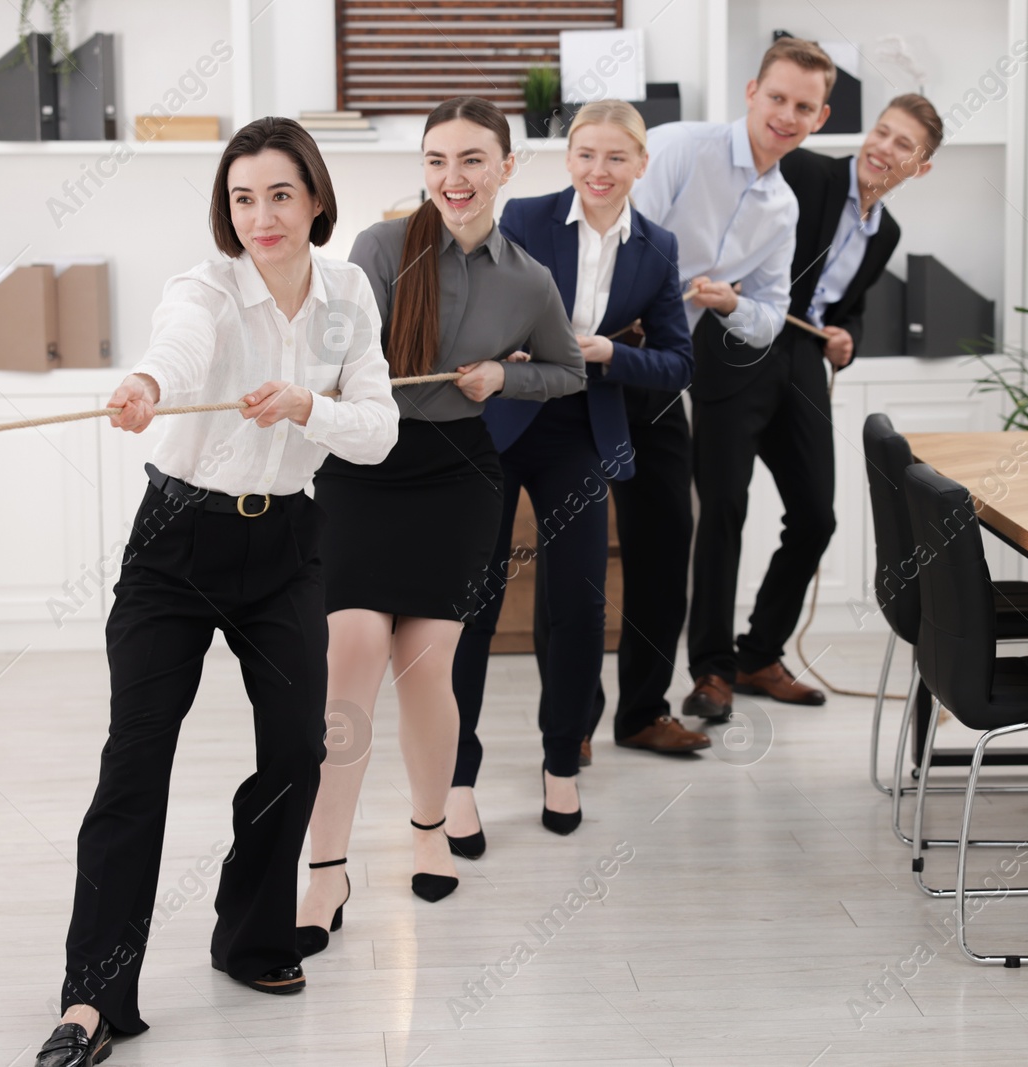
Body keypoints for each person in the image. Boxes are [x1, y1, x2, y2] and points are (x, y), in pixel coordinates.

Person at [32, 117, 398, 1067]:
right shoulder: (203, 287)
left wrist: (305, 402)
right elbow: (180, 346)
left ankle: (250, 937)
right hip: (177, 542)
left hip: (285, 542)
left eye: (280, 194)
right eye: (243, 198)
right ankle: (92, 998)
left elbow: (378, 428)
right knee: (135, 764)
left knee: (295, 751)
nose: (262, 215)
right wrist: (148, 383)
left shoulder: (350, 292)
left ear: (316, 198)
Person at [295, 97, 585, 954]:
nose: (451, 179)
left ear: (506, 167)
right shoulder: (379, 249)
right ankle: (326, 867)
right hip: (364, 466)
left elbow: (567, 371)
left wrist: (504, 375)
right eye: (435, 161)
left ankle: (428, 829)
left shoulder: (529, 279)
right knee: (348, 655)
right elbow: (335, 355)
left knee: (429, 672)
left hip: (459, 477)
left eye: (469, 161)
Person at [445, 99, 698, 854]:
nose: (599, 170)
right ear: (569, 159)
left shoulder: (656, 249)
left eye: (616, 157)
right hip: (497, 426)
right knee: (475, 607)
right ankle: (458, 779)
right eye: (586, 154)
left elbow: (678, 362)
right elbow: (470, 306)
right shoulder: (521, 218)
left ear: (641, 165)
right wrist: (507, 349)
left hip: (580, 433)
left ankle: (562, 760)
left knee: (581, 604)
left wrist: (605, 353)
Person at [686, 86, 938, 721]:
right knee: (722, 508)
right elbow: (731, 225)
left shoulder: (889, 231)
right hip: (739, 339)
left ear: (921, 168)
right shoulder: (803, 169)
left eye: (902, 144)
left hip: (799, 360)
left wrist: (845, 339)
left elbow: (841, 309)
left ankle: (758, 653)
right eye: (882, 131)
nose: (883, 147)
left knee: (814, 517)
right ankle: (711, 670)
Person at [603, 36, 822, 733]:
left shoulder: (781, 208)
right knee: (577, 550)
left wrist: (729, 306)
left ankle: (642, 711)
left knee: (666, 543)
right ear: (752, 91)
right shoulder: (678, 148)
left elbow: (767, 315)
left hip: (666, 370)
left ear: (819, 118)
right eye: (779, 97)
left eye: (805, 107)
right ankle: (569, 727)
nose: (787, 115)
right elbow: (608, 232)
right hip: (595, 353)